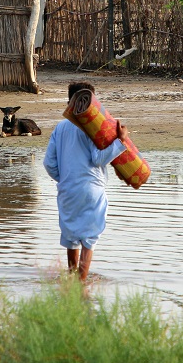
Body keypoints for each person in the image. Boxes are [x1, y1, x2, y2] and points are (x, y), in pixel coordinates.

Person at [43, 81, 129, 281]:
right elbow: (98, 159)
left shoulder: (61, 127)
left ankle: (72, 283)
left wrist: (66, 178)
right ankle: (82, 285)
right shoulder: (92, 127)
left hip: (67, 191)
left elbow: (48, 164)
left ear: (69, 102)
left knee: (71, 238)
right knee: (89, 238)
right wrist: (121, 142)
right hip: (91, 190)